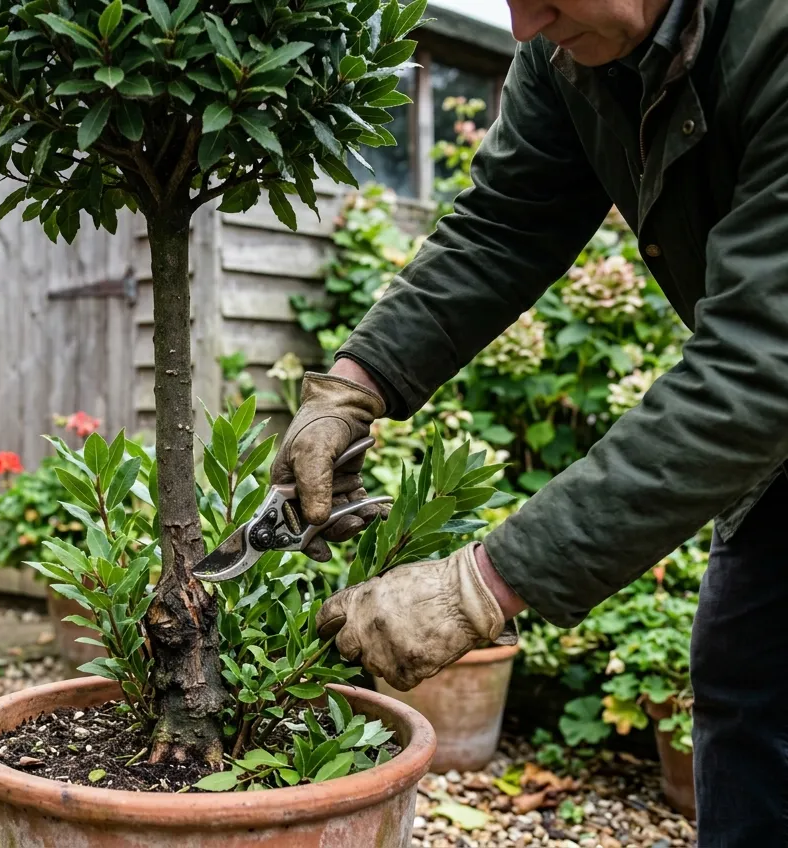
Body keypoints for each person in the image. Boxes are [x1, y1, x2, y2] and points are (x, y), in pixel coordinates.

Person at [271, 0, 784, 842]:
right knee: (747, 688)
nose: (520, 26)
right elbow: (504, 224)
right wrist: (353, 387)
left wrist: (484, 583)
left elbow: (761, 362)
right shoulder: (569, 55)